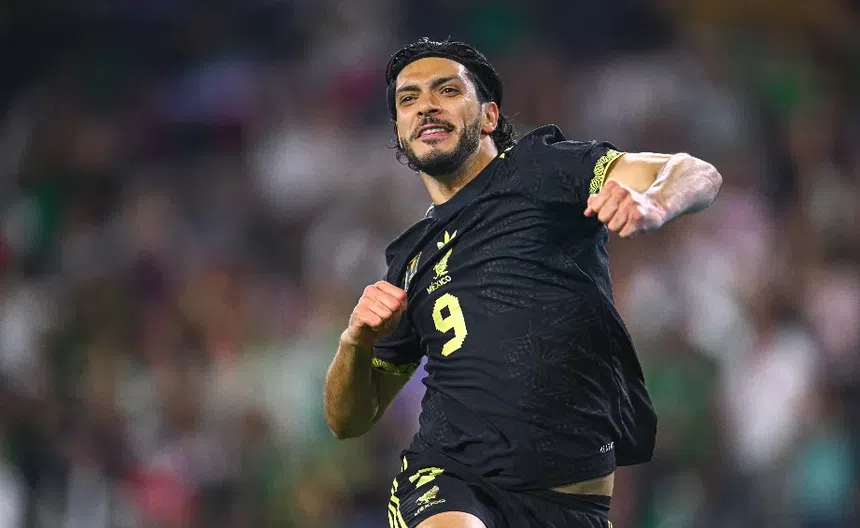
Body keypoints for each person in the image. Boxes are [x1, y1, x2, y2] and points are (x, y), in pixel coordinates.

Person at [323, 38, 722, 528]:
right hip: (450, 479)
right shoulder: (410, 261)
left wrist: (654, 202)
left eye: (447, 90)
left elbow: (696, 173)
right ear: (400, 132)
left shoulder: (541, 169)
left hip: (574, 504)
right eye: (409, 98)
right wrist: (354, 342)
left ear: (489, 116)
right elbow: (348, 421)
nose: (425, 105)